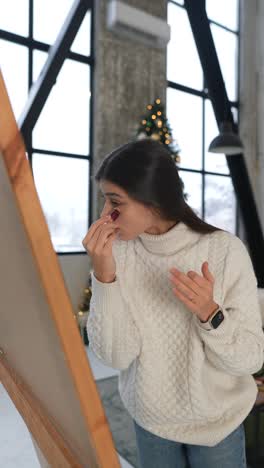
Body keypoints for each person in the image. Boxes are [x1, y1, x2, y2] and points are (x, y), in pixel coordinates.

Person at [82, 139, 264, 468]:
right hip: (151, 422)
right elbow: (115, 355)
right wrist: (104, 277)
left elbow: (250, 359)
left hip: (217, 424)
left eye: (114, 202)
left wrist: (211, 314)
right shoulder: (118, 252)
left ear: (152, 201)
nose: (105, 215)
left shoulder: (225, 251)